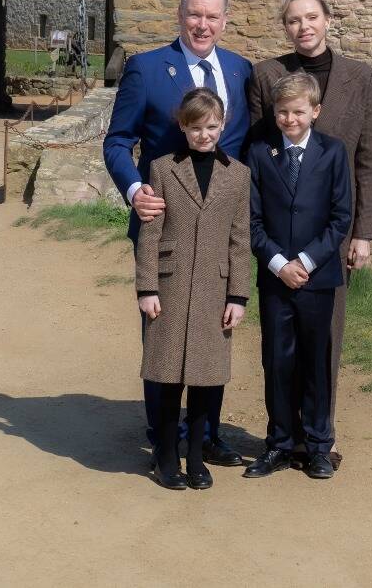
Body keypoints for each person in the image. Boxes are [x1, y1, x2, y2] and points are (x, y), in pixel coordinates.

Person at [102, 0, 253, 467]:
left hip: (217, 235)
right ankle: (163, 434)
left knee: (213, 335)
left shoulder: (240, 70)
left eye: (212, 16)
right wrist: (134, 190)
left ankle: (205, 436)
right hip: (163, 227)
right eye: (194, 14)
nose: (202, 24)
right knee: (163, 334)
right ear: (180, 16)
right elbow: (117, 141)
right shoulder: (146, 69)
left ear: (225, 21)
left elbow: (246, 151)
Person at [246, 0, 372, 452]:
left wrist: (362, 232)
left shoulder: (359, 78)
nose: (303, 27)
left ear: (327, 20)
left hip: (331, 235)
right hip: (281, 235)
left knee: (325, 340)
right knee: (281, 345)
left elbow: (368, 158)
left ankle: (318, 438)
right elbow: (255, 153)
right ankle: (284, 437)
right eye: (293, 20)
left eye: (311, 17)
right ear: (284, 27)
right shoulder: (267, 75)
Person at [134, 88, 251, 490]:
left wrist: (238, 295)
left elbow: (240, 239)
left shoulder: (239, 174)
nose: (204, 135)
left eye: (212, 127)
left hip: (216, 292)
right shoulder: (163, 169)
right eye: (196, 127)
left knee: (205, 378)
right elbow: (150, 235)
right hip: (170, 285)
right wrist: (147, 287)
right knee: (168, 378)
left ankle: (197, 457)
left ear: (223, 125)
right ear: (183, 126)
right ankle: (165, 456)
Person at [243, 72, 353, 480]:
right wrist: (278, 264)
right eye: (283, 112)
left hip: (317, 277)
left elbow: (341, 217)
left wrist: (305, 262)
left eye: (298, 112)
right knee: (277, 361)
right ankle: (280, 443)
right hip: (275, 278)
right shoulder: (259, 152)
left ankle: (319, 445)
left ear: (315, 112)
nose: (290, 119)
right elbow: (251, 220)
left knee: (315, 363)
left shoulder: (333, 152)